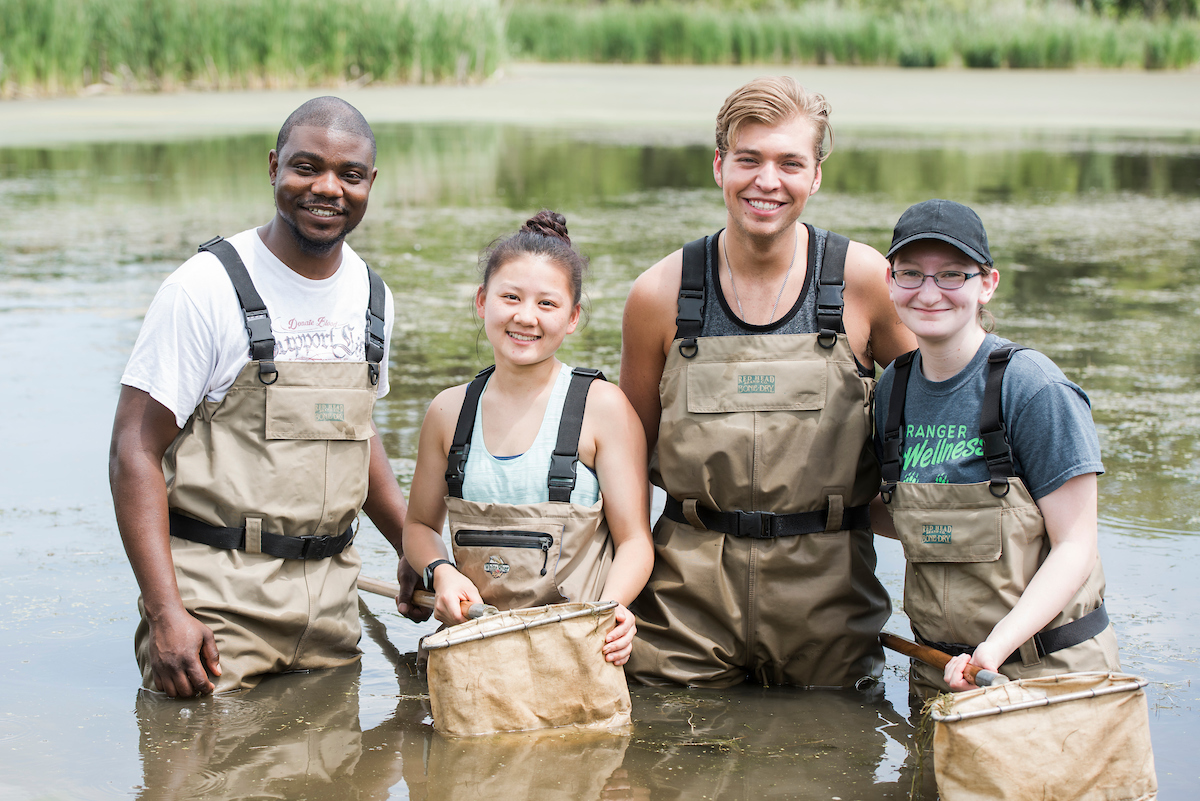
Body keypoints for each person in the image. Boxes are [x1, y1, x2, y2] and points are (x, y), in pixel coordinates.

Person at [109, 96, 424, 698]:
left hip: (332, 613)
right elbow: (133, 450)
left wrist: (416, 547)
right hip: (216, 614)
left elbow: (357, 434)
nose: (327, 188)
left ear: (370, 184)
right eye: (306, 167)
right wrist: (166, 612)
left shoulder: (372, 295)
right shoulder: (203, 289)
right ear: (274, 165)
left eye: (349, 175)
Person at [619, 76, 916, 689]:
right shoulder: (657, 296)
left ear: (817, 176)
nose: (767, 181)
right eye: (749, 159)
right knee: (664, 763)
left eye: (790, 163)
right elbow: (624, 467)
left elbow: (942, 417)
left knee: (835, 766)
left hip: (829, 603)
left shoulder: (867, 284)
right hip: (684, 605)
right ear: (719, 164)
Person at [872, 198, 1121, 698]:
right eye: (912, 273)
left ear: (987, 284)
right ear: (890, 283)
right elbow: (905, 517)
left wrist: (994, 649)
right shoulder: (891, 390)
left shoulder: (1034, 389)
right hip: (940, 669)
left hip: (1042, 670)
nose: (929, 292)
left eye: (952, 275)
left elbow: (1076, 546)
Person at [402, 211, 654, 666]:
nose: (525, 317)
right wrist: (439, 572)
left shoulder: (603, 407)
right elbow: (419, 526)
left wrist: (612, 608)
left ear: (574, 317)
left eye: (547, 304)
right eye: (511, 297)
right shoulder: (447, 411)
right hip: (471, 649)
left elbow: (635, 540)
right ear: (482, 301)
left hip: (577, 652)